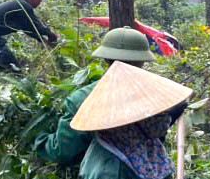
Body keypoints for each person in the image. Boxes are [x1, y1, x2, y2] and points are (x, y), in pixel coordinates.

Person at [35, 27, 155, 165]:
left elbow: (62, 151)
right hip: (154, 176)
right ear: (143, 60)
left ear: (106, 58)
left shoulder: (84, 99)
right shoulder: (159, 95)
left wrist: (39, 138)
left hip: (107, 177)